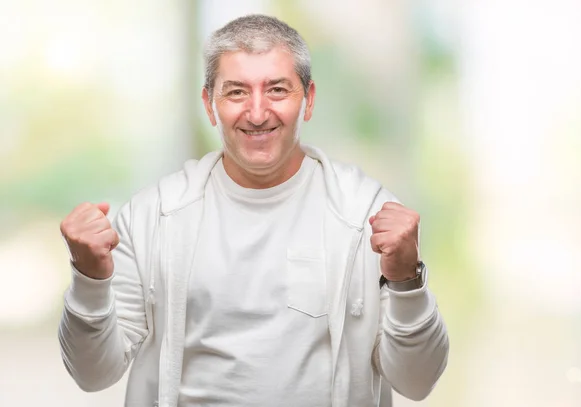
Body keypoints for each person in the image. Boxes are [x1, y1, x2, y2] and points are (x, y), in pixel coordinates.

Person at [58, 14, 448, 407]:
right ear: (210, 105)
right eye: (237, 92)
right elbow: (93, 375)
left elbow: (416, 382)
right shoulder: (151, 217)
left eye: (277, 90)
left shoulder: (368, 215)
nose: (258, 113)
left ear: (308, 100)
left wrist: (406, 282)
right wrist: (89, 280)